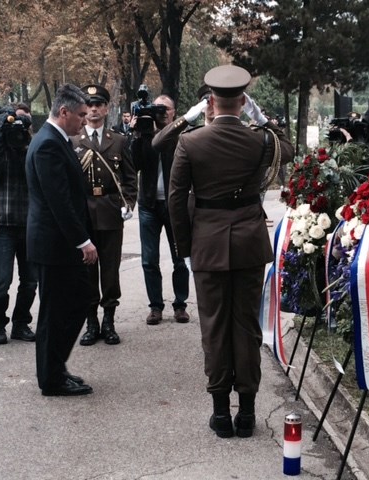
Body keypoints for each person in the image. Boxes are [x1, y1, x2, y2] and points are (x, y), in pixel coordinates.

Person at [169, 65, 294, 438]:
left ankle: (221, 413)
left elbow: (176, 200)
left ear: (210, 101)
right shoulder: (261, 140)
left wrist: (185, 247)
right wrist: (263, 118)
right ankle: (248, 413)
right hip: (249, 243)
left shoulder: (190, 142)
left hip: (207, 243)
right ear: (243, 102)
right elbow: (288, 150)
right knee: (246, 326)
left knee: (214, 327)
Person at [26, 84, 97, 396]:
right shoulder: (47, 145)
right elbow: (59, 201)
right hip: (54, 245)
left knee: (77, 301)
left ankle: (55, 368)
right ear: (64, 112)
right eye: (80, 115)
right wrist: (83, 241)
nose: (85, 120)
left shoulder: (57, 140)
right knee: (55, 313)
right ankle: (52, 378)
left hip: (60, 244)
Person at [72, 85, 137, 346]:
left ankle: (109, 321)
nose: (94, 110)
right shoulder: (74, 141)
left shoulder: (118, 140)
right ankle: (91, 323)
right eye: (89, 105)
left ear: (107, 108)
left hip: (110, 211)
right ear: (83, 109)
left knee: (110, 270)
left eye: (99, 104)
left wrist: (128, 204)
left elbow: (130, 178)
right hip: (84, 213)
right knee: (86, 270)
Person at [131, 94, 201, 325]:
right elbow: (135, 164)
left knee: (180, 257)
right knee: (149, 259)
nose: (160, 113)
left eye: (165, 109)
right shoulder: (145, 132)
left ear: (174, 112)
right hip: (149, 204)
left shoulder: (182, 136)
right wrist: (138, 134)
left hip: (175, 205)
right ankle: (155, 307)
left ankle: (180, 305)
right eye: (157, 108)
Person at [0, 103, 38, 345]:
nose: (21, 125)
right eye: (17, 119)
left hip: (30, 222)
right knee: (2, 279)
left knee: (31, 279)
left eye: (26, 120)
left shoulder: (32, 145)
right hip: (2, 222)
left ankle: (21, 323)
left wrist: (24, 145)